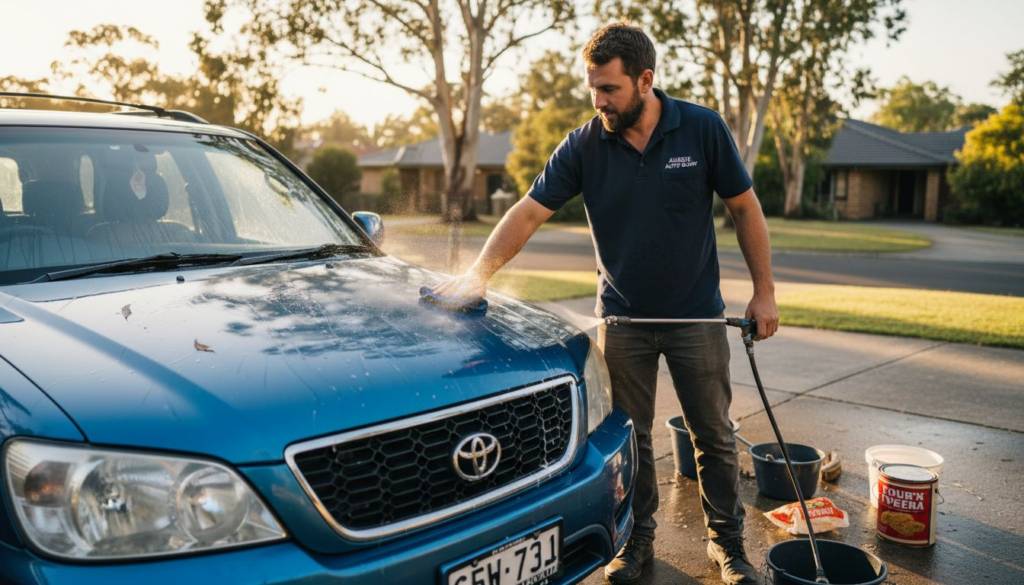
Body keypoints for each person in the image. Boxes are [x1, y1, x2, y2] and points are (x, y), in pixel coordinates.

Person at [434, 22, 778, 585]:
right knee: (632, 437)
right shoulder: (584, 144)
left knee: (713, 435)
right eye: (592, 88)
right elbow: (527, 211)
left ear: (645, 80)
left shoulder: (702, 129)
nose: (599, 101)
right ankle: (637, 541)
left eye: (610, 89)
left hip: (696, 317)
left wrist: (763, 292)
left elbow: (745, 207)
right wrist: (477, 274)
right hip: (623, 320)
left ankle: (728, 545)